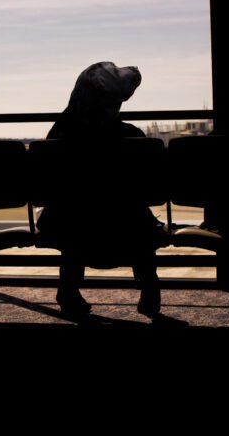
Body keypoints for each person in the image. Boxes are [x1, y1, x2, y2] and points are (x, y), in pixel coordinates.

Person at [37, 61, 165, 318]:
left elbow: (46, 189)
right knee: (138, 218)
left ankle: (68, 289)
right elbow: (153, 190)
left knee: (72, 213)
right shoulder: (133, 138)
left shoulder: (60, 135)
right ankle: (149, 286)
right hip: (127, 226)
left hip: (72, 227)